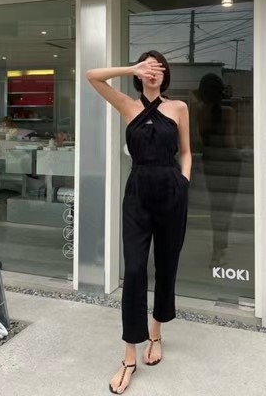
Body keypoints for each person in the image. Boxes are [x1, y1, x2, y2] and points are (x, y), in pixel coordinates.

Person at [86, 50, 191, 394]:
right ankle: (129, 356)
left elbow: (186, 152)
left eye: (158, 68)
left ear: (165, 75)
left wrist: (184, 182)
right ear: (139, 73)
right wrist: (132, 67)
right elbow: (92, 76)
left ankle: (156, 333)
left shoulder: (178, 108)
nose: (153, 72)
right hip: (138, 195)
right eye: (147, 67)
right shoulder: (127, 105)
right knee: (133, 271)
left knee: (166, 264)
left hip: (171, 192)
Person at [192, 73, 240, 267]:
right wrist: (242, 154)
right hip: (229, 162)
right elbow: (230, 141)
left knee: (216, 207)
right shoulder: (229, 112)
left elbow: (200, 139)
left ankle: (217, 251)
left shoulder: (200, 111)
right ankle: (221, 250)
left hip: (210, 161)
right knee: (226, 208)